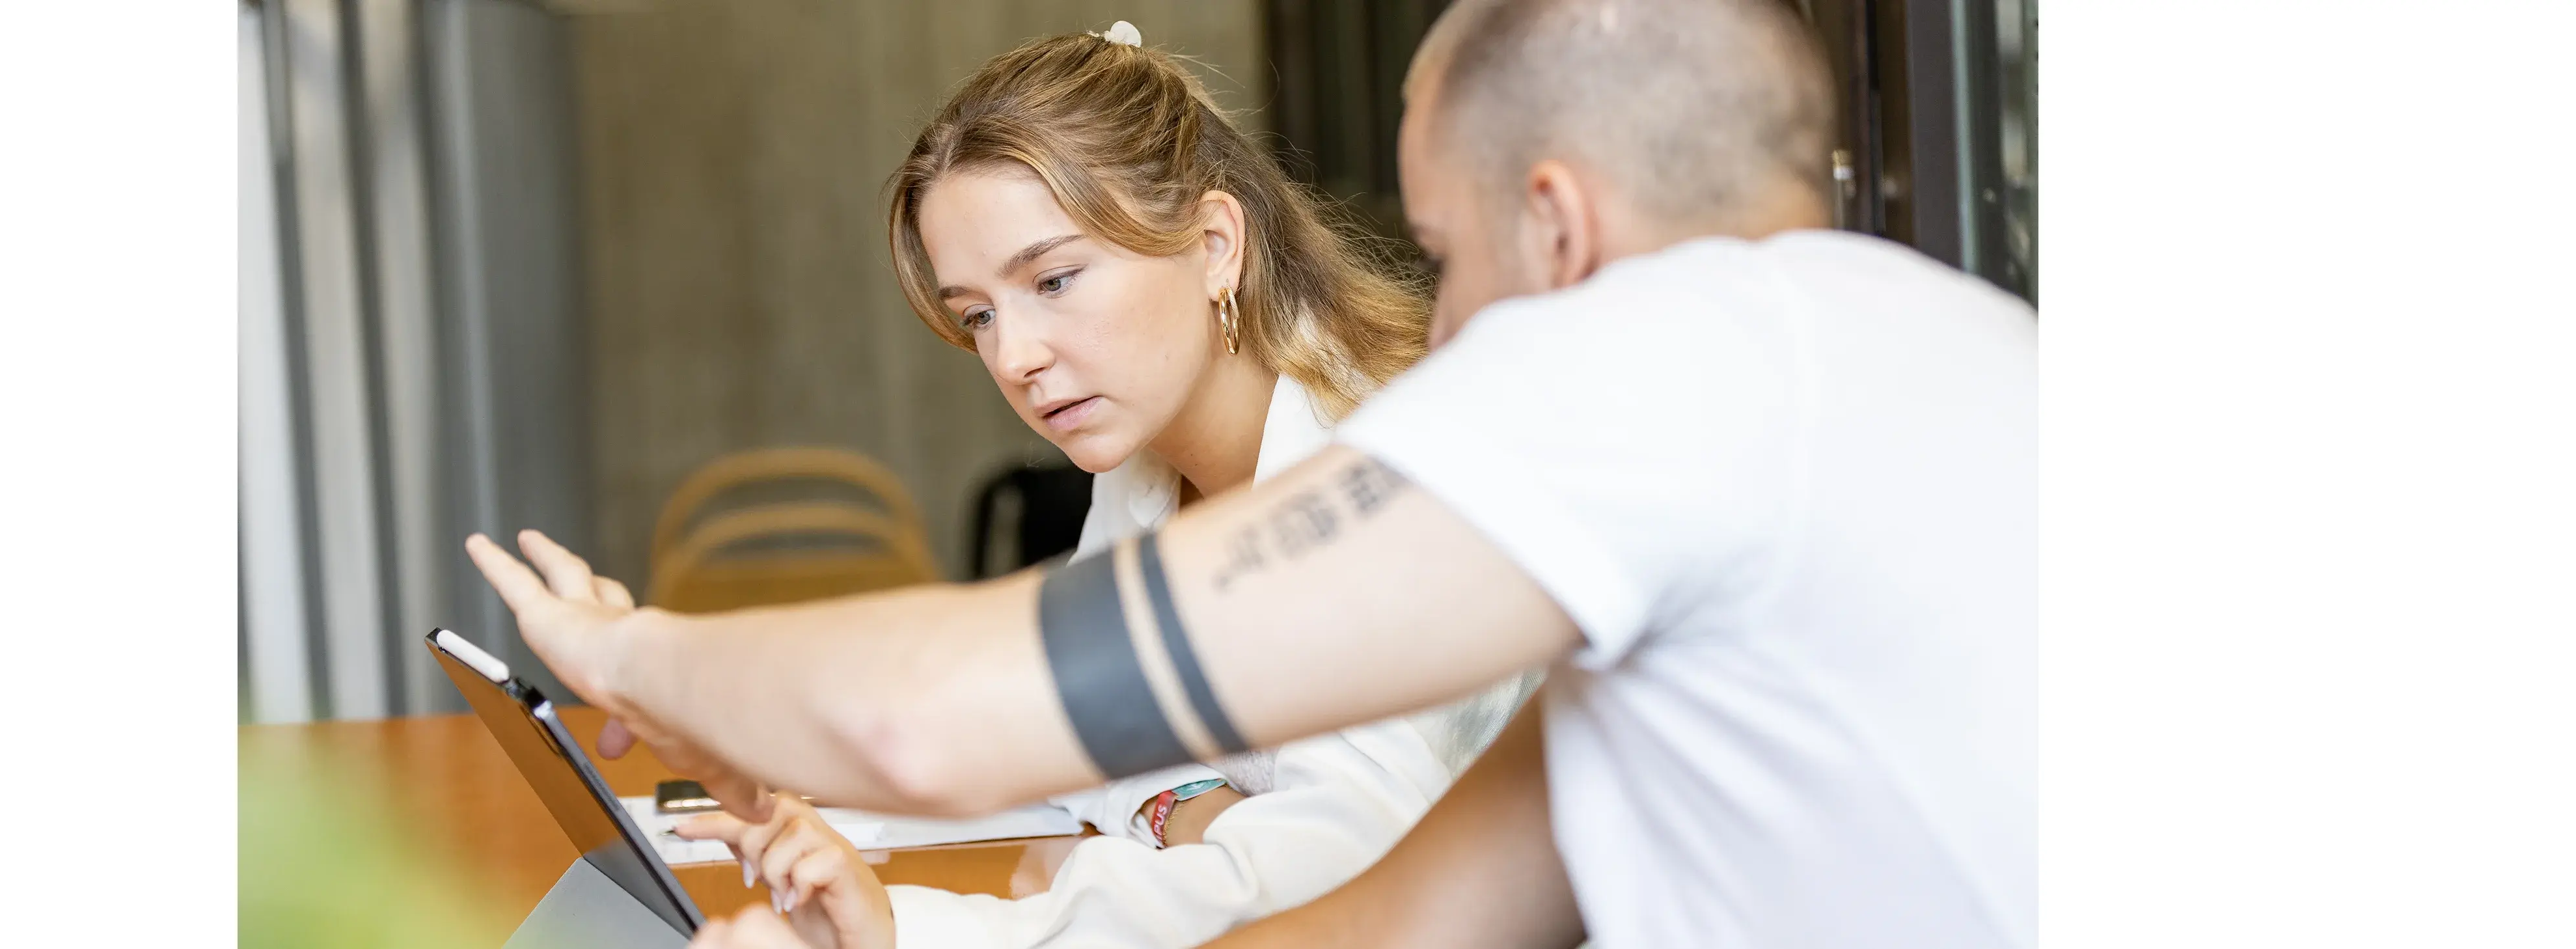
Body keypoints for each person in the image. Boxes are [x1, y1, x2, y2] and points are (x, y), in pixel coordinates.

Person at [467, 1, 2036, 946]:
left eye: (1445, 252)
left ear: (1559, 224)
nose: (1440, 331)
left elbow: (932, 720)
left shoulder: (1655, 385)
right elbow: (1403, 917)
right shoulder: (1915, 350)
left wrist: (637, 660)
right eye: (979, 313)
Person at [644, 21, 1539, 949]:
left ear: (1214, 244)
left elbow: (1336, 879)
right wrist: (1194, 806)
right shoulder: (1146, 456)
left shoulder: (1376, 474)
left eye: (1055, 280)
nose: (1014, 359)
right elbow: (1091, 740)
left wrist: (906, 928)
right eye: (979, 316)